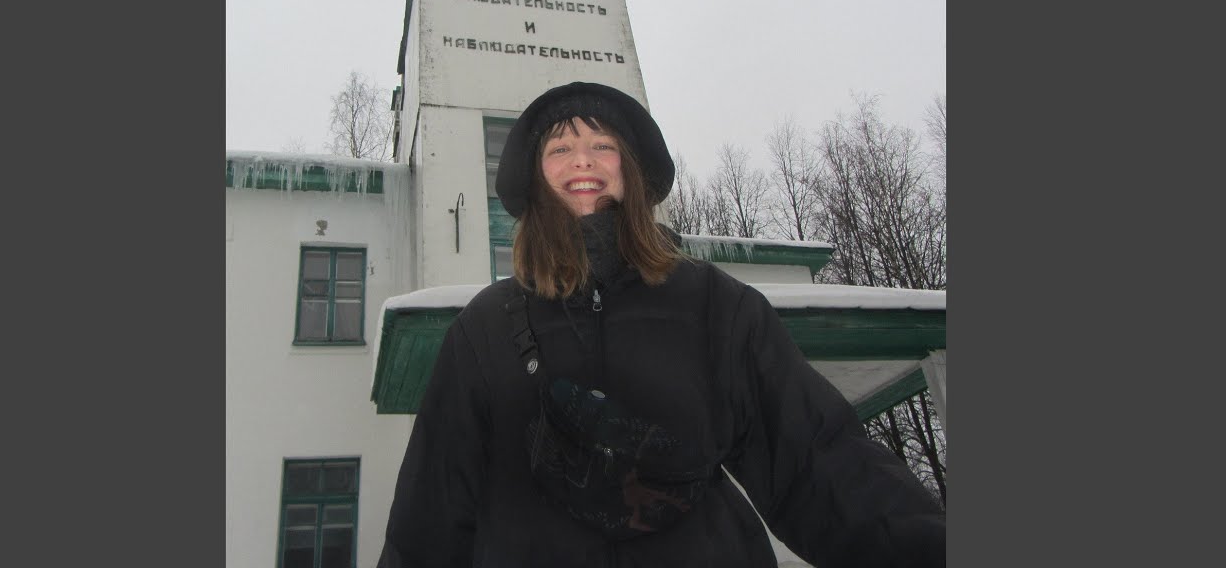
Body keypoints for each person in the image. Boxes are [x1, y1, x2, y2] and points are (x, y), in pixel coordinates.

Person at [378, 82, 945, 567]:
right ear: (534, 178)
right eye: (560, 148)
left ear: (630, 171)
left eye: (603, 145)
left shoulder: (715, 305)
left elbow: (816, 461)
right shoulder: (483, 330)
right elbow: (432, 511)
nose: (583, 161)